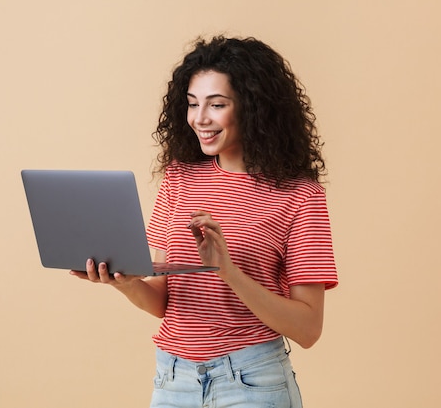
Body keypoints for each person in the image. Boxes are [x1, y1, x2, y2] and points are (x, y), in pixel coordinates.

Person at [70, 35, 338, 408]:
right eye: (193, 104)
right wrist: (126, 282)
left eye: (217, 105)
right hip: (172, 379)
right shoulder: (179, 176)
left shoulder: (299, 196)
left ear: (254, 107)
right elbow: (166, 303)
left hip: (251, 381)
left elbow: (308, 330)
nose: (200, 118)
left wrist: (228, 271)